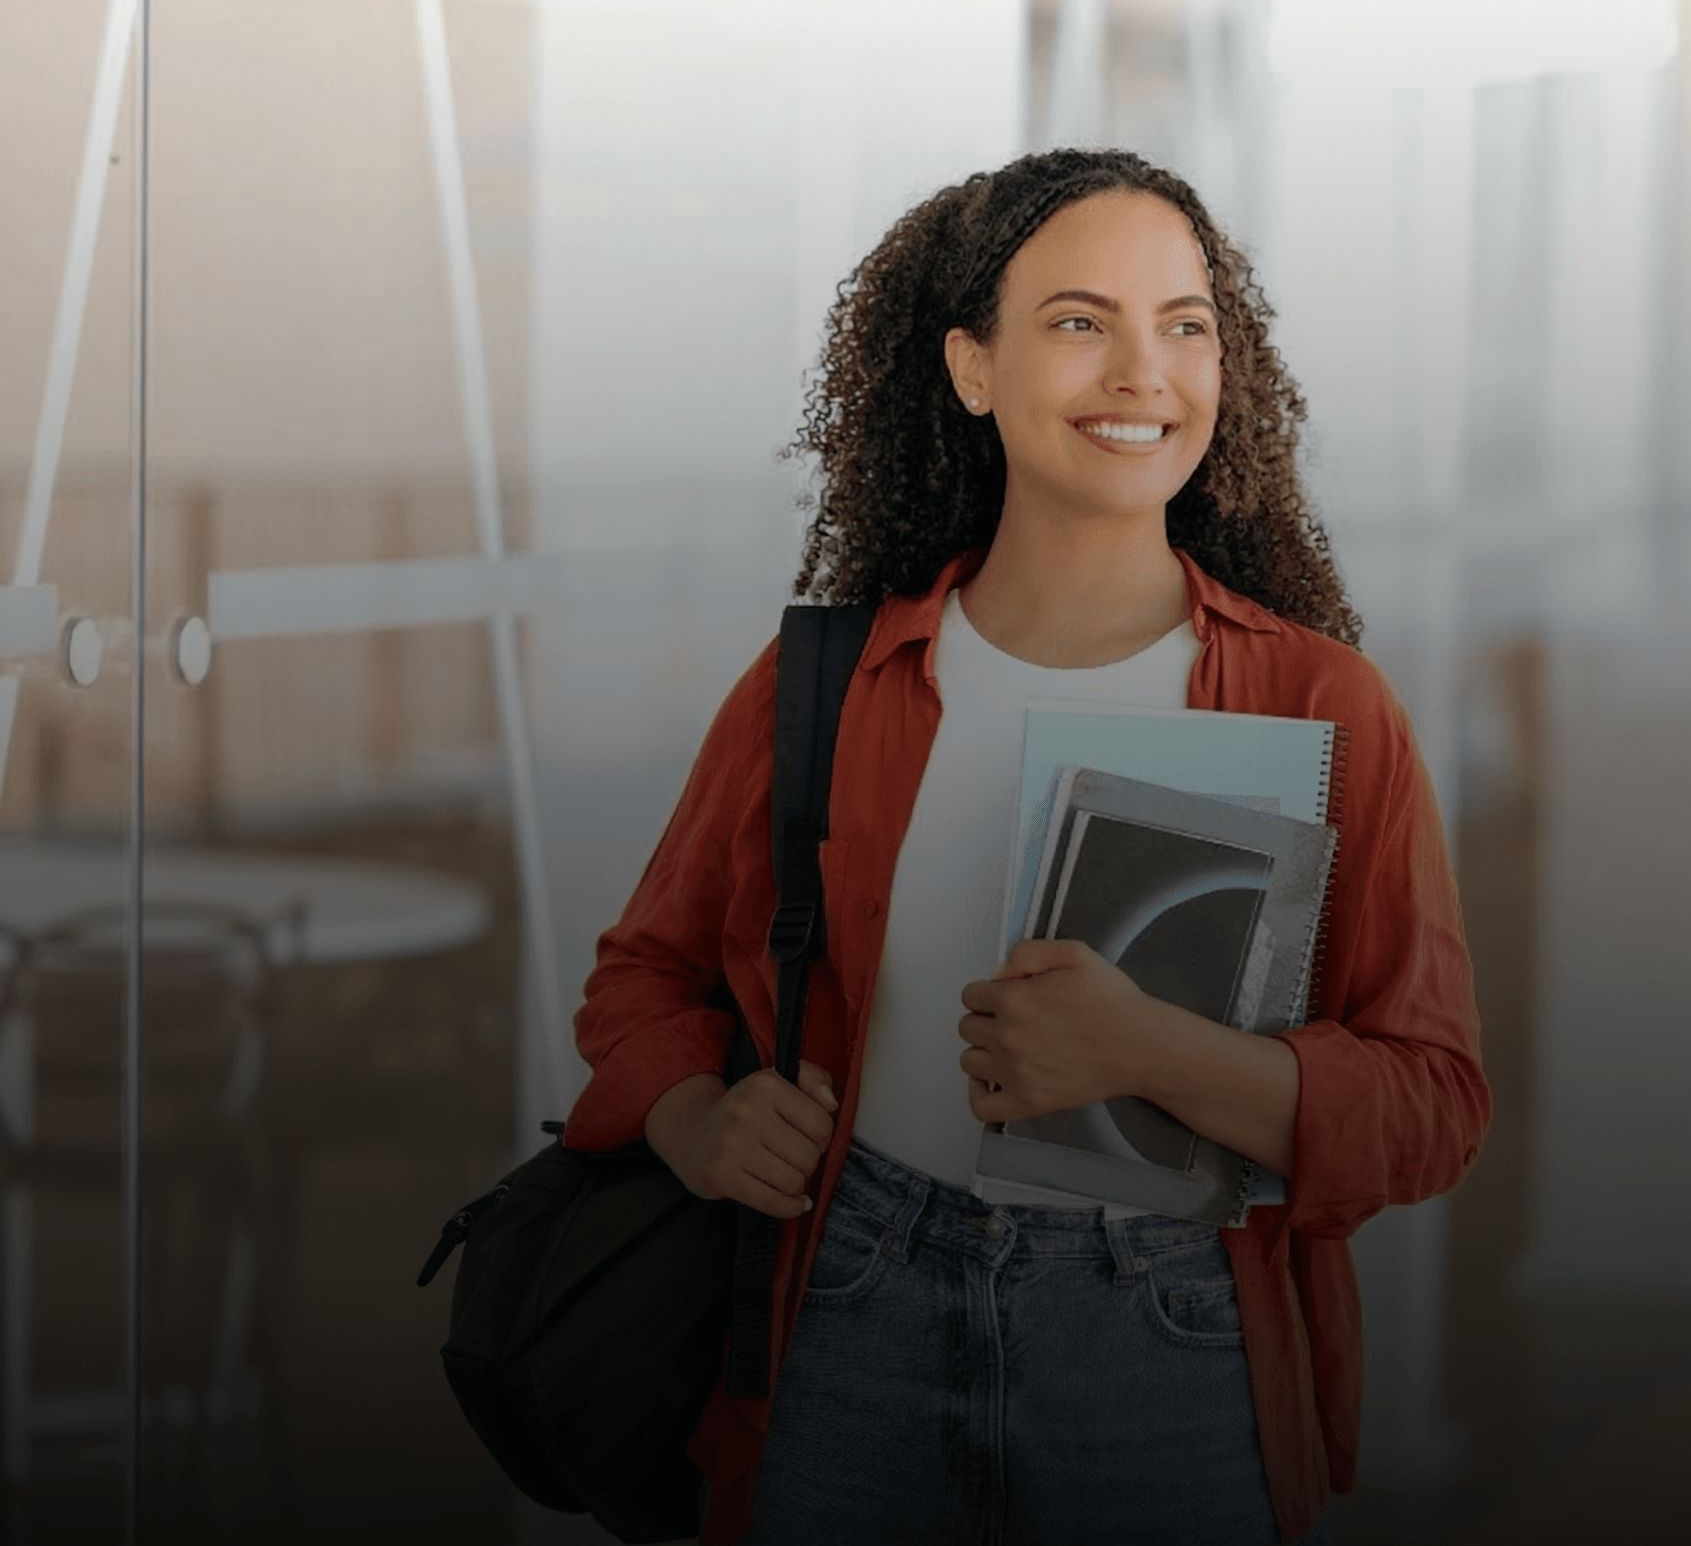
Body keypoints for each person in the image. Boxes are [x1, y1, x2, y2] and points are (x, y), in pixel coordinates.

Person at [563, 148, 1488, 1545]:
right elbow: (643, 977)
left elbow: (1433, 1099)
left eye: (1183, 325)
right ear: (972, 368)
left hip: (1167, 1339)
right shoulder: (823, 684)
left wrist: (1146, 1054)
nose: (1144, 372)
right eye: (1078, 322)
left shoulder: (1320, 705)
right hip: (848, 1312)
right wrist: (701, 1122)